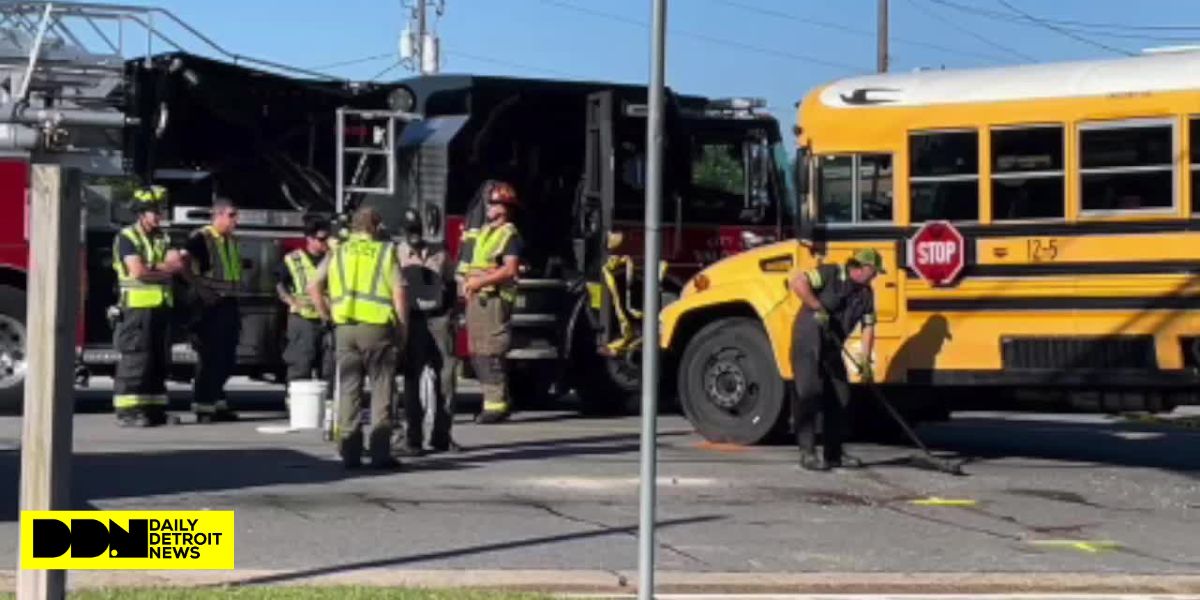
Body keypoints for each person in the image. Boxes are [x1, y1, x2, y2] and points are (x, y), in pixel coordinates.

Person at [309, 206, 408, 469]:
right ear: (375, 227)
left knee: (349, 390)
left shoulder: (338, 251)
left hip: (344, 328)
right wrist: (403, 328)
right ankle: (380, 453)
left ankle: (350, 453)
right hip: (377, 328)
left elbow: (313, 286)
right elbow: (399, 293)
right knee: (381, 389)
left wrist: (326, 316)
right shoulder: (385, 251)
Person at [788, 248, 883, 472]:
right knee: (809, 393)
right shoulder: (831, 273)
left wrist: (866, 362)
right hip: (808, 340)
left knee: (841, 395)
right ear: (862, 268)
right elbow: (798, 282)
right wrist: (816, 306)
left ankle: (834, 454)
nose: (876, 276)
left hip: (831, 346)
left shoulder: (866, 294)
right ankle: (808, 453)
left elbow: (868, 327)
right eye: (874, 271)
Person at [111, 185, 185, 427]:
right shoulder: (127, 237)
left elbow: (179, 265)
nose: (160, 215)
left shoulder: (164, 237)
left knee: (158, 359)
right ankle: (128, 411)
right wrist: (165, 268)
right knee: (136, 359)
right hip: (136, 309)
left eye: (161, 210)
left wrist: (157, 268)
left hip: (161, 307)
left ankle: (155, 409)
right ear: (141, 213)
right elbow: (138, 271)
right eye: (155, 211)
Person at [397, 207, 461, 455]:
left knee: (446, 376)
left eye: (417, 230)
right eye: (410, 231)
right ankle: (413, 437)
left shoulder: (440, 253)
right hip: (413, 320)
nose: (415, 236)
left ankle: (442, 435)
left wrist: (452, 313)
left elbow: (452, 283)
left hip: (438, 319)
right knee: (412, 379)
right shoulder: (396, 253)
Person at [457, 180, 522, 425]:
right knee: (478, 352)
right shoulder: (486, 231)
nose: (489, 207)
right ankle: (495, 400)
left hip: (493, 301)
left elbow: (510, 270)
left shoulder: (509, 234)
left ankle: (495, 405)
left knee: (490, 352)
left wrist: (479, 283)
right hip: (479, 299)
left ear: (505, 208)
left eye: (494, 203)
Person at [183, 198, 243, 423]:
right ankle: (203, 406)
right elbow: (183, 262)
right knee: (209, 357)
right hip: (210, 305)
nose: (236, 220)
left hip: (229, 303)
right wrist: (200, 289)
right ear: (217, 215)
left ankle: (217, 402)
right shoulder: (202, 237)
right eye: (231, 215)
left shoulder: (231, 240)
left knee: (226, 357)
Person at [277, 219, 334, 393]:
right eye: (321, 239)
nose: (326, 242)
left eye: (328, 238)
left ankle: (328, 407)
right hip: (303, 320)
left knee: (330, 368)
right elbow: (280, 284)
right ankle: (297, 405)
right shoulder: (293, 259)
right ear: (309, 238)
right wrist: (289, 300)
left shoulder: (335, 258)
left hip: (331, 318)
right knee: (300, 365)